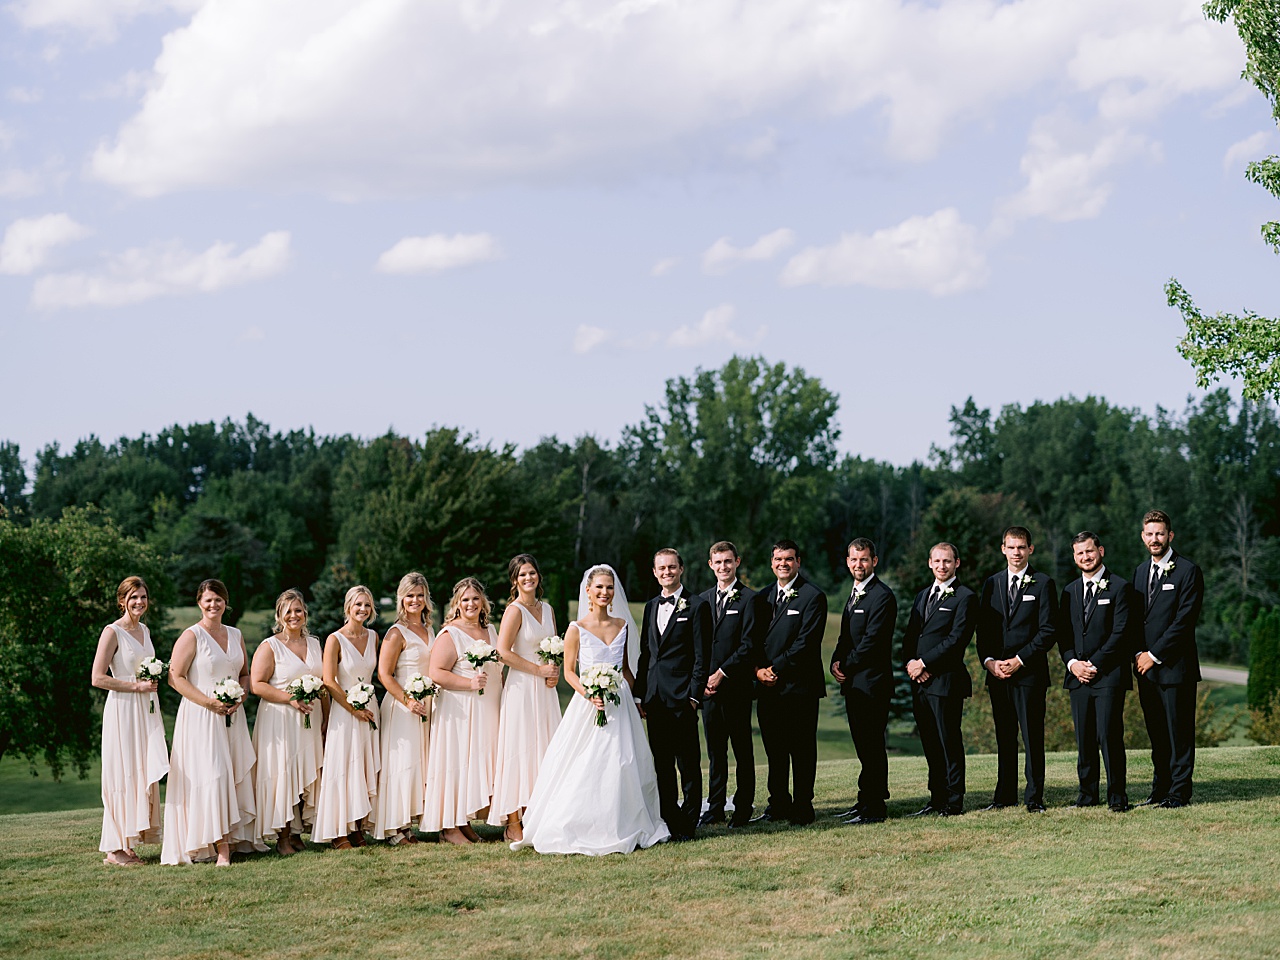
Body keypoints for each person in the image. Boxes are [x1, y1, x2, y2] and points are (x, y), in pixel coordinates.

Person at [512, 564, 669, 855]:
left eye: (609, 588)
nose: (605, 592)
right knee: (586, 761)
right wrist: (590, 694)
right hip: (589, 703)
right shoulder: (576, 628)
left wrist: (636, 700)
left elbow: (624, 668)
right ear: (588, 591)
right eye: (599, 587)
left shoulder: (623, 625)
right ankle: (579, 822)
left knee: (624, 760)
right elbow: (570, 672)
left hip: (620, 702)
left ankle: (623, 820)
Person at [161, 579, 260, 865]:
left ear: (225, 603)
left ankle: (236, 838)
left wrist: (240, 696)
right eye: (208, 600)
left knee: (233, 775)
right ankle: (221, 849)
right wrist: (208, 702)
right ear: (199, 603)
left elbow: (244, 673)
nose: (213, 605)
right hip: (201, 716)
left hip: (233, 715)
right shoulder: (191, 636)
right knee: (213, 776)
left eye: (218, 599)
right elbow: (175, 677)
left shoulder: (236, 634)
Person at [975, 526, 1058, 813]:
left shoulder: (1043, 583)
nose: (1016, 552)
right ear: (1003, 549)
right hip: (998, 674)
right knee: (1004, 736)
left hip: (1029, 674)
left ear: (1030, 549)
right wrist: (989, 663)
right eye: (1011, 547)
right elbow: (983, 631)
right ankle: (1004, 796)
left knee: (1032, 737)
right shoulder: (992, 583)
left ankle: (1034, 797)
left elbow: (1048, 630)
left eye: (1021, 547)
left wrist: (1020, 660)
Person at [91, 575, 169, 865]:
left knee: (139, 770)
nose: (139, 602)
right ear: (122, 600)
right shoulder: (112, 631)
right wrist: (136, 686)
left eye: (143, 597)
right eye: (133, 597)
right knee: (122, 771)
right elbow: (98, 678)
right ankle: (114, 848)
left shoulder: (145, 630)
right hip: (123, 709)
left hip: (145, 708)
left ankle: (129, 841)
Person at [635, 548, 711, 841]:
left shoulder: (696, 605)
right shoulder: (651, 605)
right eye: (661, 568)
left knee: (688, 765)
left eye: (671, 567)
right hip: (654, 699)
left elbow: (702, 656)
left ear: (681, 569)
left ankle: (689, 823)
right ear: (654, 572)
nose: (666, 572)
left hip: (682, 698)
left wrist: (694, 696)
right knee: (662, 765)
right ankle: (669, 818)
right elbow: (646, 654)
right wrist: (640, 694)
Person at [752, 539, 828, 826]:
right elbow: (753, 640)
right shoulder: (761, 598)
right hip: (767, 686)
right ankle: (778, 803)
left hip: (799, 687)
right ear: (772, 562)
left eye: (789, 559)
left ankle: (803, 805)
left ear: (798, 562)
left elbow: (806, 644)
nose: (783, 563)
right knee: (775, 749)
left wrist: (776, 668)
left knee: (802, 748)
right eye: (778, 559)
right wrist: (758, 670)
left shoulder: (813, 596)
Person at [422, 577, 503, 845]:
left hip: (486, 708)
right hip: (459, 710)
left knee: (474, 762)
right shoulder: (450, 633)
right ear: (457, 604)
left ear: (483, 603)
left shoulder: (491, 631)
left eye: (475, 599)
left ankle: (463, 822)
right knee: (456, 763)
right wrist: (469, 683)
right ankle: (449, 827)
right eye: (465, 600)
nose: (471, 604)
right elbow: (436, 672)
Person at [488, 555, 562, 842]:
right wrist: (538, 670)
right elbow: (503, 652)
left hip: (544, 690)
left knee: (543, 749)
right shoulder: (514, 611)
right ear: (514, 581)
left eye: (532, 572)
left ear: (538, 576)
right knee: (519, 748)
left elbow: (553, 647)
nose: (528, 578)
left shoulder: (549, 609)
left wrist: (553, 672)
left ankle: (536, 811)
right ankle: (513, 820)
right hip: (521, 687)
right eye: (522, 575)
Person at [1133, 510, 1204, 808]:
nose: (1154, 539)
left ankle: (1179, 792)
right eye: (1149, 534)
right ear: (1143, 537)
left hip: (1176, 668)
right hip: (1145, 670)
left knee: (1179, 734)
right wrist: (1138, 653)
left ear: (1170, 536)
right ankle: (1159, 789)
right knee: (1157, 735)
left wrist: (1154, 654)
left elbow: (1184, 623)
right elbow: (1136, 619)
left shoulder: (1188, 571)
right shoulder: (1139, 572)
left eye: (1160, 533)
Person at [1059, 532, 1133, 811]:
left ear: (1100, 551)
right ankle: (1087, 796)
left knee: (1108, 735)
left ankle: (1117, 798)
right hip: (1077, 676)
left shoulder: (1120, 587)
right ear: (1074, 557)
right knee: (1085, 738)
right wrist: (1072, 663)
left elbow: (1121, 633)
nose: (1085, 557)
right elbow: (1063, 634)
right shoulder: (1069, 591)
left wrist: (1095, 664)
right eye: (1079, 553)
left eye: (1089, 551)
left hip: (1108, 675)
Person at [902, 543, 977, 818]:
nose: (942, 566)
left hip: (945, 681)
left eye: (947, 561)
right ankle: (936, 798)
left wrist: (925, 664)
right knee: (930, 743)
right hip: (919, 682)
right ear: (929, 563)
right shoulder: (922, 595)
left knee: (949, 742)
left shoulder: (966, 597)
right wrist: (912, 665)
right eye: (937, 561)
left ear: (957, 563)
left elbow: (956, 641)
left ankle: (954, 801)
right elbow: (911, 636)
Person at [251, 588, 327, 855]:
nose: (294, 616)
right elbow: (256, 685)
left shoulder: (316, 644)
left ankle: (296, 834)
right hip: (280, 719)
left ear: (305, 613)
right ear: (279, 616)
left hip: (310, 719)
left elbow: (324, 684)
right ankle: (281, 837)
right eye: (288, 612)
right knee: (283, 775)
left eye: (298, 610)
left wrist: (326, 719)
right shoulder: (269, 646)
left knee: (303, 773)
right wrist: (290, 699)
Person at [830, 538, 897, 825]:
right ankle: (864, 799)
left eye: (864, 559)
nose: (859, 564)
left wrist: (845, 664)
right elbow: (847, 637)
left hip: (873, 684)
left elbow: (872, 643)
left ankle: (875, 807)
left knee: (871, 745)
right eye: (854, 560)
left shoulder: (881, 596)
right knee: (863, 746)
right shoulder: (855, 592)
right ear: (848, 562)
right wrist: (835, 660)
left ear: (874, 561)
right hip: (855, 684)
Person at [313, 584, 381, 849]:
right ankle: (339, 830)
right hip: (345, 711)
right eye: (358, 605)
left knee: (363, 766)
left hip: (370, 708)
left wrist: (367, 706)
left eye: (367, 605)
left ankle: (357, 826)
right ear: (348, 607)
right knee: (344, 767)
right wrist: (353, 708)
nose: (362, 609)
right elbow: (329, 681)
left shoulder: (374, 636)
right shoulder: (335, 639)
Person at [698, 540, 757, 828]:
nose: (723, 566)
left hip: (736, 687)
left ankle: (744, 807)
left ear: (737, 562)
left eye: (728, 561)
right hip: (708, 690)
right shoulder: (702, 599)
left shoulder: (749, 599)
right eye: (718, 562)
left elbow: (749, 645)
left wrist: (721, 673)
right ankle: (715, 806)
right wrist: (704, 680)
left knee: (742, 749)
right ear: (711, 565)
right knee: (715, 751)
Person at [373, 572, 434, 844]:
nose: (415, 600)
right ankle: (394, 829)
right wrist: (408, 699)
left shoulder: (431, 628)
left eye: (420, 595)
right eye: (410, 595)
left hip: (427, 704)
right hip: (402, 705)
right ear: (401, 598)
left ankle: (408, 825)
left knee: (418, 763)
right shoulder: (396, 632)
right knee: (402, 763)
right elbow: (384, 674)